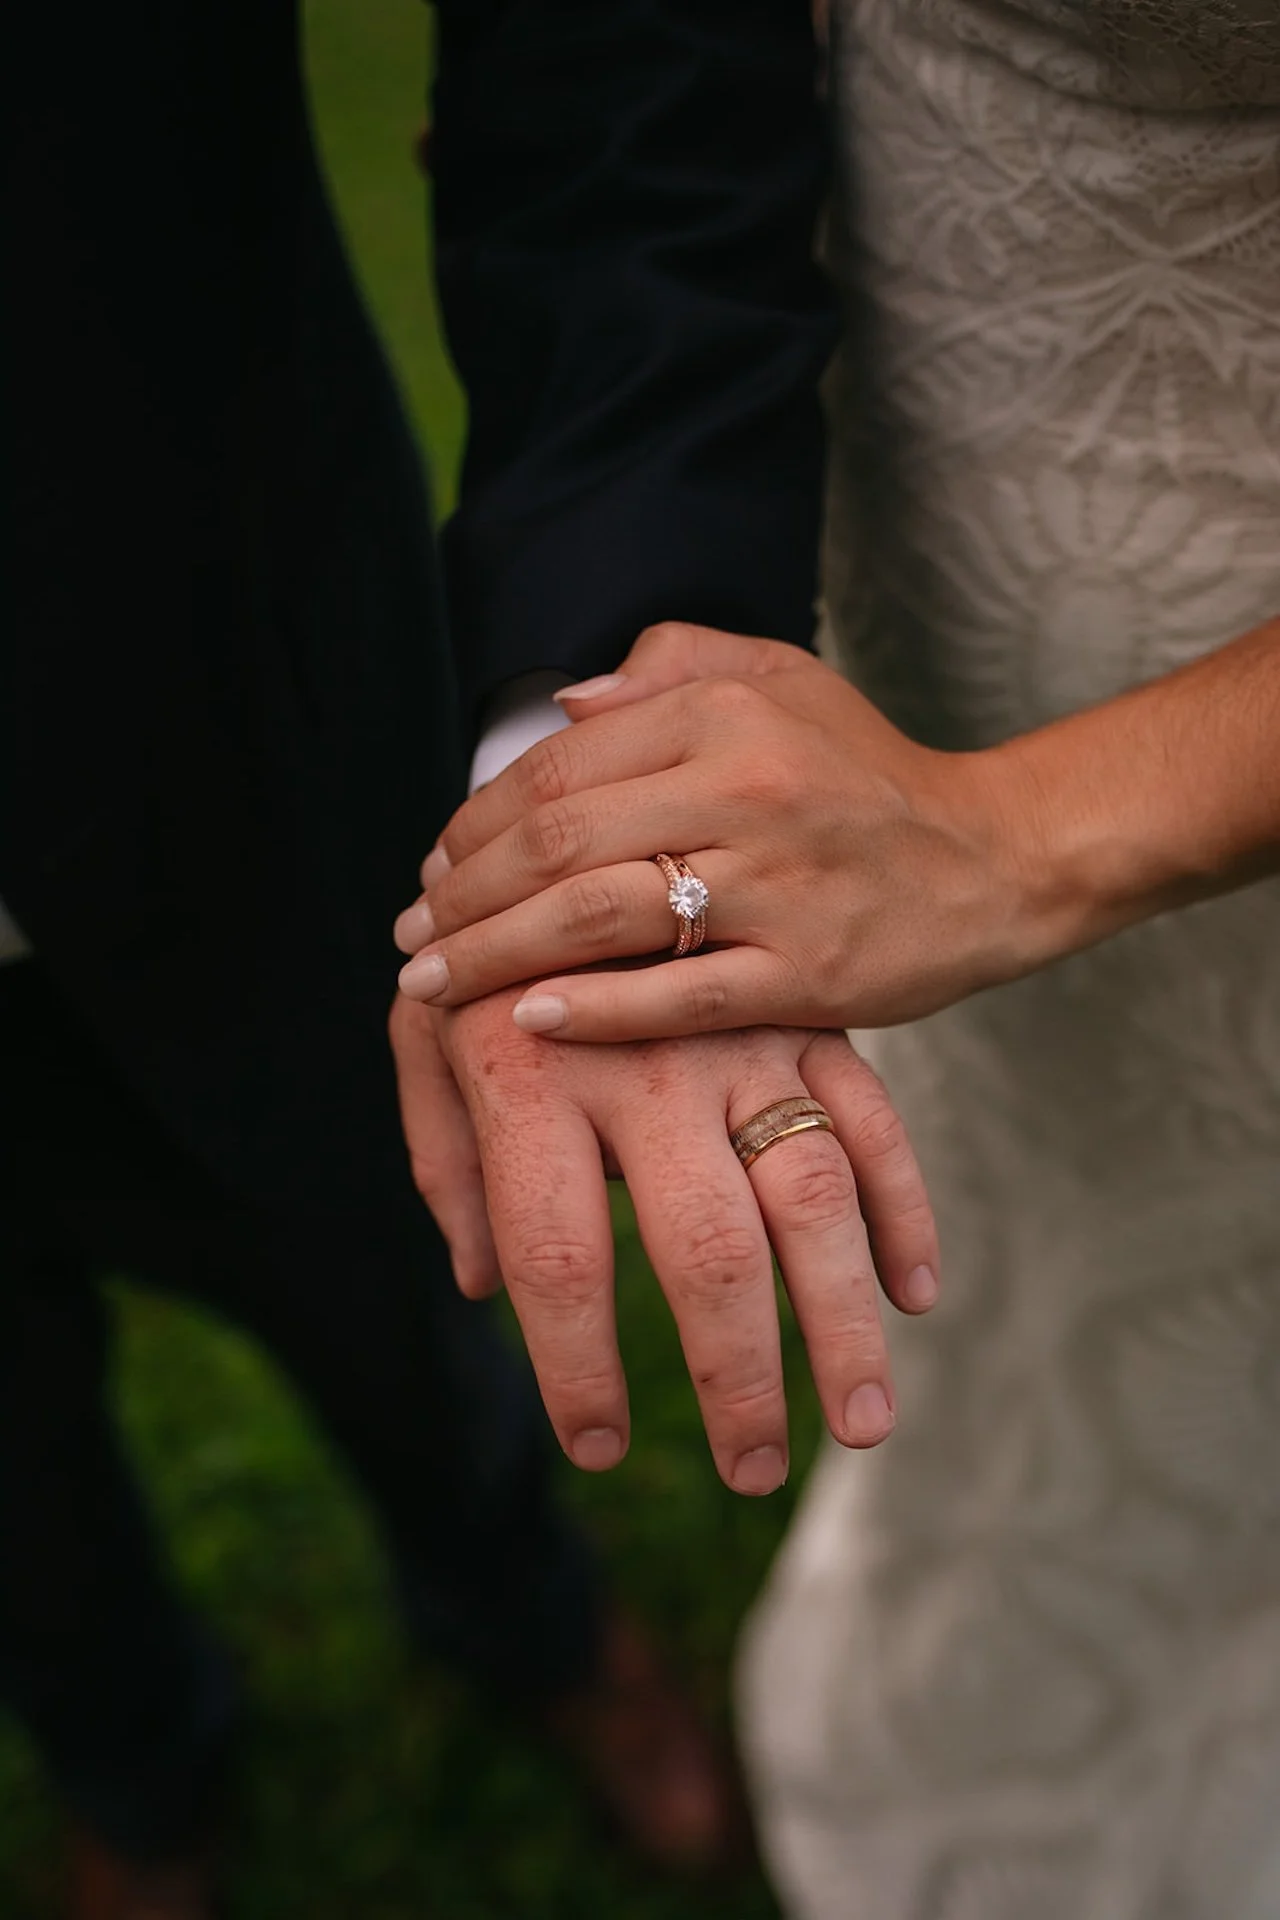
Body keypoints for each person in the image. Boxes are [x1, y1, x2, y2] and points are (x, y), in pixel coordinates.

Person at [7, 4, 939, 1916]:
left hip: (218, 729)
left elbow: (614, 73)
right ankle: (132, 1762)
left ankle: (531, 1624)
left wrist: (593, 778)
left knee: (399, 1270)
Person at [396, 2, 1280, 1915]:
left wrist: (1021, 831)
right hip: (979, 439)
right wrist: (607, 765)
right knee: (1061, 1278)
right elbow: (622, 68)